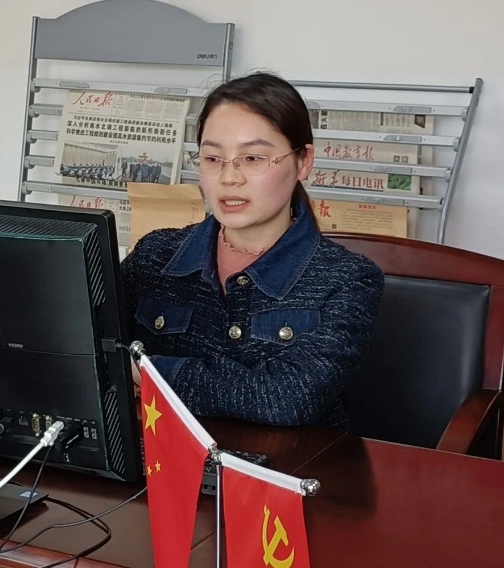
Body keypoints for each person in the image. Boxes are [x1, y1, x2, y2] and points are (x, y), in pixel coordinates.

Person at [120, 72, 384, 430]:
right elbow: (86, 350)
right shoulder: (156, 255)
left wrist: (151, 372)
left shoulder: (348, 279)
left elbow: (289, 398)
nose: (229, 178)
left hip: (292, 464)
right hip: (160, 457)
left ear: (303, 161)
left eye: (253, 158)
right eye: (213, 159)